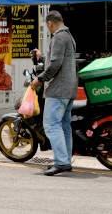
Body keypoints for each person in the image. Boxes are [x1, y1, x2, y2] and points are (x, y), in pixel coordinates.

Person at [30, 10, 77, 176]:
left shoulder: (58, 37)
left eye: (47, 25)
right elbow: (58, 61)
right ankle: (65, 160)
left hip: (58, 89)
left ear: (50, 23)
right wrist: (43, 57)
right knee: (64, 125)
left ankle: (61, 162)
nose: (48, 28)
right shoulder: (69, 36)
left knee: (51, 125)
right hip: (69, 89)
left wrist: (40, 79)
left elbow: (55, 65)